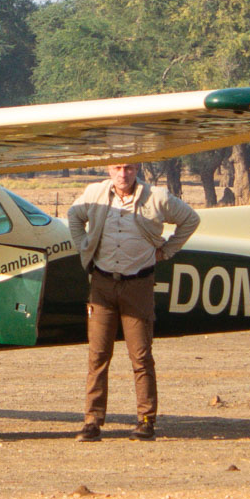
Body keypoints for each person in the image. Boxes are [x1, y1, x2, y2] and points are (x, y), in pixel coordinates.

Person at [65, 161, 199, 441]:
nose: (123, 174)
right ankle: (92, 422)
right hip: (102, 284)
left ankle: (146, 419)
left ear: (137, 169)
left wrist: (167, 250)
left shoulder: (158, 197)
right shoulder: (94, 193)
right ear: (108, 170)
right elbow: (74, 216)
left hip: (138, 284)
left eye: (128, 168)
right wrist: (84, 247)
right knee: (98, 355)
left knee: (140, 356)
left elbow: (191, 219)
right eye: (117, 168)